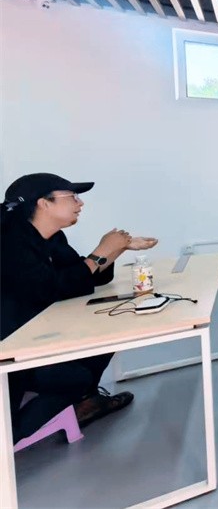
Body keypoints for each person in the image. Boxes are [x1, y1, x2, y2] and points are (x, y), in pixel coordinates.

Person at [1, 173, 158, 443]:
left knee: (106, 333)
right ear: (44, 204)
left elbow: (81, 278)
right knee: (75, 378)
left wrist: (115, 250)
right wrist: (100, 253)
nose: (80, 203)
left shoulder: (53, 237)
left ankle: (86, 403)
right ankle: (9, 435)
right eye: (72, 197)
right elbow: (46, 289)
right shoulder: (9, 242)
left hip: (38, 331)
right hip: (12, 347)